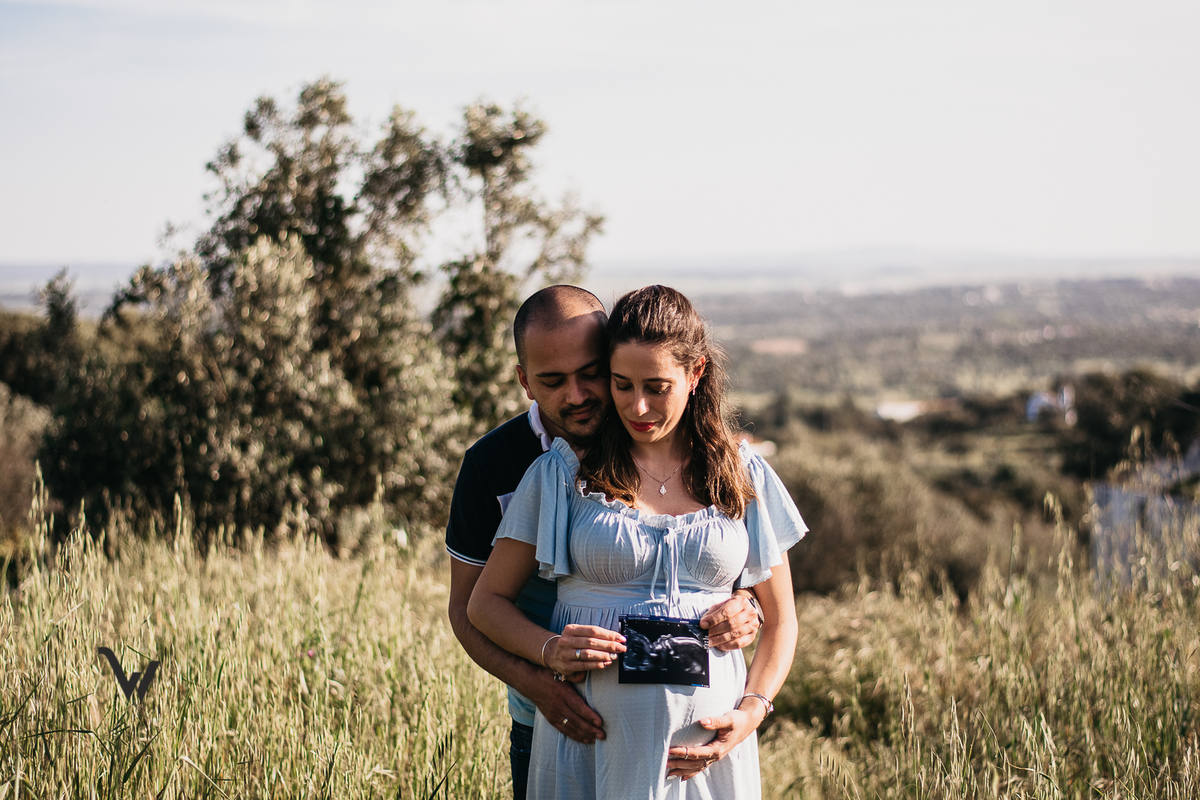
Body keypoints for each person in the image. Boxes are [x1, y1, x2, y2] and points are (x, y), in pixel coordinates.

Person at [469, 285, 805, 799]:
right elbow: (481, 604)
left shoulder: (741, 474)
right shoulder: (561, 475)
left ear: (695, 375)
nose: (638, 406)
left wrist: (752, 711)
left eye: (656, 386)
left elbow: (779, 616)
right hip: (590, 748)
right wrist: (550, 650)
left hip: (706, 762)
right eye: (621, 385)